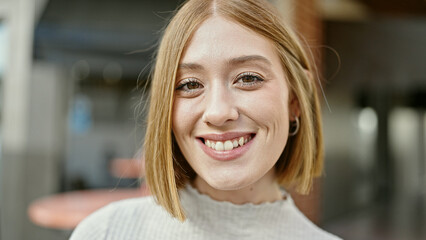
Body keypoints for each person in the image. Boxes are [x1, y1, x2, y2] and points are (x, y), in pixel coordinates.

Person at [71, 0, 341, 239]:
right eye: (189, 84)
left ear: (295, 99)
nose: (218, 112)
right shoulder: (105, 233)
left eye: (248, 78)